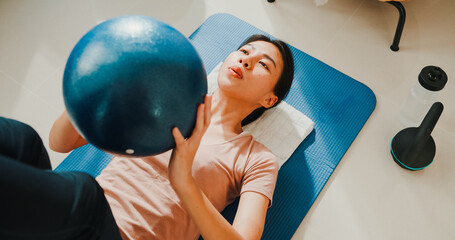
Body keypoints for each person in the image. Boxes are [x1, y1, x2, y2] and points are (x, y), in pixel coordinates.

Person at [0, 34, 294, 240]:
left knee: (87, 197)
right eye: (244, 51)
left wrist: (183, 181)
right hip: (70, 215)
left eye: (263, 64)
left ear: (269, 99)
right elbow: (59, 142)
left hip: (112, 228)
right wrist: (101, 83)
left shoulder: (257, 159)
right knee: (25, 141)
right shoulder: (166, 100)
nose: (246, 60)